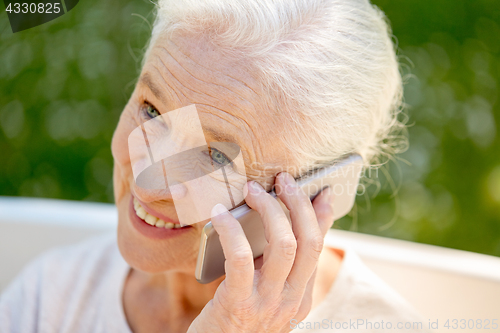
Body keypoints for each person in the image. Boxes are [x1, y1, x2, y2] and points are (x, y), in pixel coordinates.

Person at [0, 0, 431, 332]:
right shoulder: (51, 297)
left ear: (319, 190)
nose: (149, 184)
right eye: (152, 111)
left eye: (217, 157)